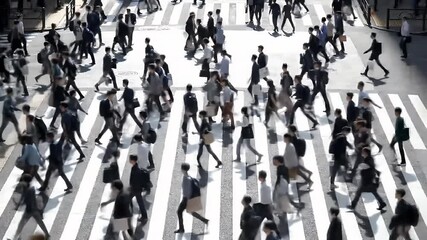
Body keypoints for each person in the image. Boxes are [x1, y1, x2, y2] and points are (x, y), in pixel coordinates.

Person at [12, 174, 50, 240]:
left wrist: (18, 205)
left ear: (24, 180)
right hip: (35, 209)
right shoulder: (31, 188)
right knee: (40, 222)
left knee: (21, 223)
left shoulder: (26, 189)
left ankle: (16, 237)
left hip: (29, 210)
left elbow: (24, 199)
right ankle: (47, 234)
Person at [174, 163, 209, 233]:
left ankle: (181, 229)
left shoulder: (186, 179)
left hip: (186, 199)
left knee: (179, 211)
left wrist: (186, 200)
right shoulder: (188, 177)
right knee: (191, 211)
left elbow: (187, 191)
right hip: (188, 198)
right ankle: (205, 220)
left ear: (183, 170)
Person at [128, 155, 149, 224]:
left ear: (133, 161)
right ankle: (143, 216)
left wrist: (132, 188)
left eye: (130, 159)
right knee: (135, 201)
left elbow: (136, 181)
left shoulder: (136, 170)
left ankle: (144, 217)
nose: (129, 160)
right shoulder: (135, 167)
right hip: (135, 189)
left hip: (136, 189)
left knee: (139, 202)